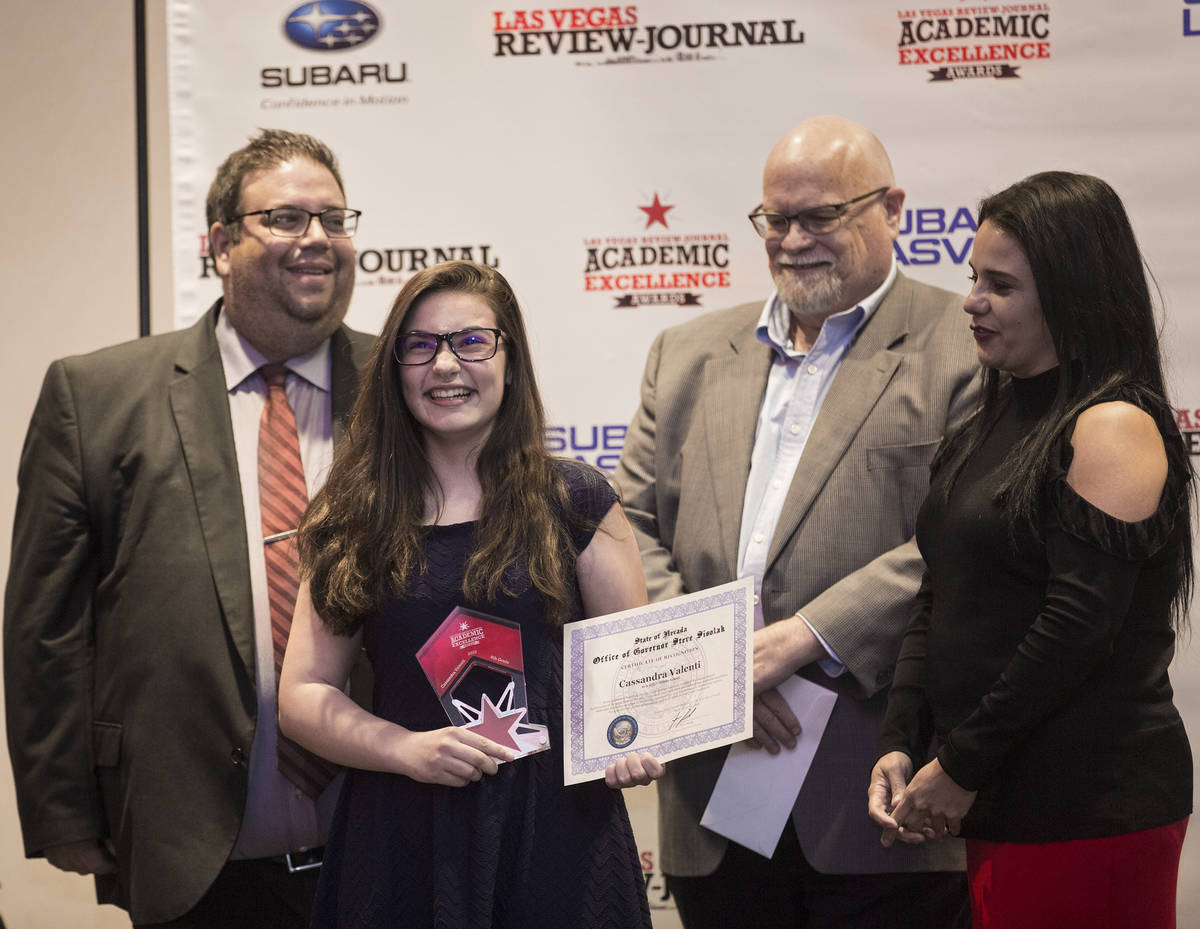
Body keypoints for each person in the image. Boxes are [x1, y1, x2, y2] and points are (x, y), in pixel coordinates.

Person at [613, 115, 978, 928]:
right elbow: (627, 524)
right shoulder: (685, 351)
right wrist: (717, 670)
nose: (793, 239)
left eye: (822, 216)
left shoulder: (968, 343)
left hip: (882, 798)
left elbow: (968, 539)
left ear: (892, 208)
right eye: (776, 219)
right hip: (712, 788)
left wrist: (803, 637)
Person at [3, 129, 374, 928]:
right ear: (220, 244)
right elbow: (46, 628)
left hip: (387, 844)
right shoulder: (96, 395)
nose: (317, 240)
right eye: (285, 218)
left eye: (334, 219)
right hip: (191, 852)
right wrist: (62, 808)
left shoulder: (406, 385)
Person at [278, 260, 662, 928]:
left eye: (472, 341)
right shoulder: (352, 514)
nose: (446, 365)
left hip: (558, 834)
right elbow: (303, 695)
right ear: (396, 367)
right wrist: (403, 749)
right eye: (420, 345)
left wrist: (632, 738)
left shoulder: (576, 500)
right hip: (403, 830)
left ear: (510, 358)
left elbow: (639, 677)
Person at [869, 171, 1193, 929]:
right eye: (972, 277)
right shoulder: (989, 419)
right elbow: (938, 596)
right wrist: (902, 740)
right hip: (1000, 801)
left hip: (1090, 806)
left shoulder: (1112, 424)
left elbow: (1076, 628)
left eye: (1001, 285)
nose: (972, 301)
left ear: (1072, 293)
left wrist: (961, 765)